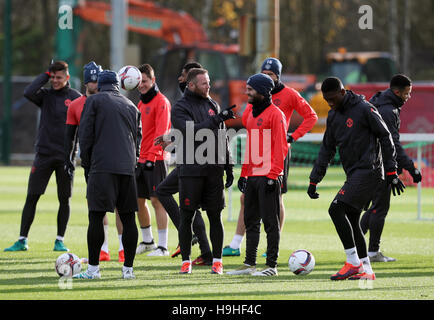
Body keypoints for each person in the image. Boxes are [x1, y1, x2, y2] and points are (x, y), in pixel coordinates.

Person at [307, 77, 405, 281]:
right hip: (354, 173)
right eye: (327, 100)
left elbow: (386, 136)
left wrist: (392, 171)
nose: (330, 104)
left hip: (369, 170)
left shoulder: (364, 108)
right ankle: (366, 270)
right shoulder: (333, 115)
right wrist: (314, 179)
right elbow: (327, 148)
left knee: (336, 208)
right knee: (351, 217)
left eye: (332, 99)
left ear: (342, 92)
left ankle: (353, 262)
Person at [223, 57, 318, 257]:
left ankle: (271, 247)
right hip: (257, 150)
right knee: (245, 197)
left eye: (271, 75)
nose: (267, 77)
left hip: (278, 151)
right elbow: (249, 118)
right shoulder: (256, 96)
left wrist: (293, 136)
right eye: (264, 74)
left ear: (278, 76)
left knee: (275, 200)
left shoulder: (290, 94)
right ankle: (236, 243)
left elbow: (312, 116)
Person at [5, 61, 81, 252]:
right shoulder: (45, 96)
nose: (55, 81)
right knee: (32, 196)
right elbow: (28, 92)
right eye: (52, 77)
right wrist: (45, 74)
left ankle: (59, 240)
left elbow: (82, 128)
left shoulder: (76, 98)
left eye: (58, 77)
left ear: (67, 78)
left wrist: (74, 155)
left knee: (64, 199)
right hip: (44, 154)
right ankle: (22, 240)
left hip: (65, 157)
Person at [74, 70, 141, 279]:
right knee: (129, 218)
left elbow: (85, 136)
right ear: (118, 85)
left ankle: (93, 270)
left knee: (96, 216)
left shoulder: (94, 101)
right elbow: (138, 139)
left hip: (102, 166)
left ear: (100, 85)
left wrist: (86, 165)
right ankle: (128, 271)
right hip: (127, 167)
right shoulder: (131, 105)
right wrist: (133, 162)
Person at [171, 68, 234, 274]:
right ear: (191, 85)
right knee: (187, 216)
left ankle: (217, 262)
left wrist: (229, 165)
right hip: (191, 170)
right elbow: (191, 132)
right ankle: (186, 262)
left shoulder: (212, 104)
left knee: (215, 216)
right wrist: (217, 119)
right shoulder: (180, 107)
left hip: (214, 171)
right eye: (204, 83)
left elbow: (222, 136)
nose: (209, 86)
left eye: (209, 82)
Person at [227, 73, 288, 276]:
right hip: (253, 175)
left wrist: (273, 175)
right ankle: (249, 264)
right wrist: (244, 174)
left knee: (270, 223)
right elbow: (251, 147)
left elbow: (281, 148)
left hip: (268, 176)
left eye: (251, 89)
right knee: (251, 221)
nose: (247, 92)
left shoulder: (276, 114)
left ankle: (272, 266)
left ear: (262, 91)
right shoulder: (252, 114)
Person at [155, 61, 216, 266]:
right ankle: (201, 247)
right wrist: (172, 137)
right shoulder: (189, 99)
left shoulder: (201, 101)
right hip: (189, 159)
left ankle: (194, 240)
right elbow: (188, 129)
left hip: (193, 163)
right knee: (170, 194)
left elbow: (195, 130)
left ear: (191, 80)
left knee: (184, 203)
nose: (179, 79)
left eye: (183, 75)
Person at [64, 61, 125, 262]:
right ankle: (104, 248)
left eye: (97, 80)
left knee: (119, 205)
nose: (95, 84)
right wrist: (69, 158)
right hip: (93, 162)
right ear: (85, 82)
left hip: (114, 159)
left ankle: (123, 247)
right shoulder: (75, 105)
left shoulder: (111, 101)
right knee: (97, 206)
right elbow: (71, 136)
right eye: (91, 81)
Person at [360, 74, 421, 262]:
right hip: (380, 164)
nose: (408, 97)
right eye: (407, 93)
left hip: (369, 162)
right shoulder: (388, 110)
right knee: (380, 208)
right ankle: (371, 252)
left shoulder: (381, 102)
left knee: (374, 207)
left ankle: (355, 245)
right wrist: (410, 168)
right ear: (396, 92)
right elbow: (391, 143)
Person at [134, 64, 172, 257]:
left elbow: (161, 133)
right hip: (141, 159)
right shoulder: (141, 103)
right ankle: (148, 241)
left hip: (156, 159)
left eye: (145, 81)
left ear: (153, 81)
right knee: (139, 200)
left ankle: (163, 246)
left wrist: (150, 158)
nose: (142, 85)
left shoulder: (162, 102)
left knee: (158, 200)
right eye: (139, 82)